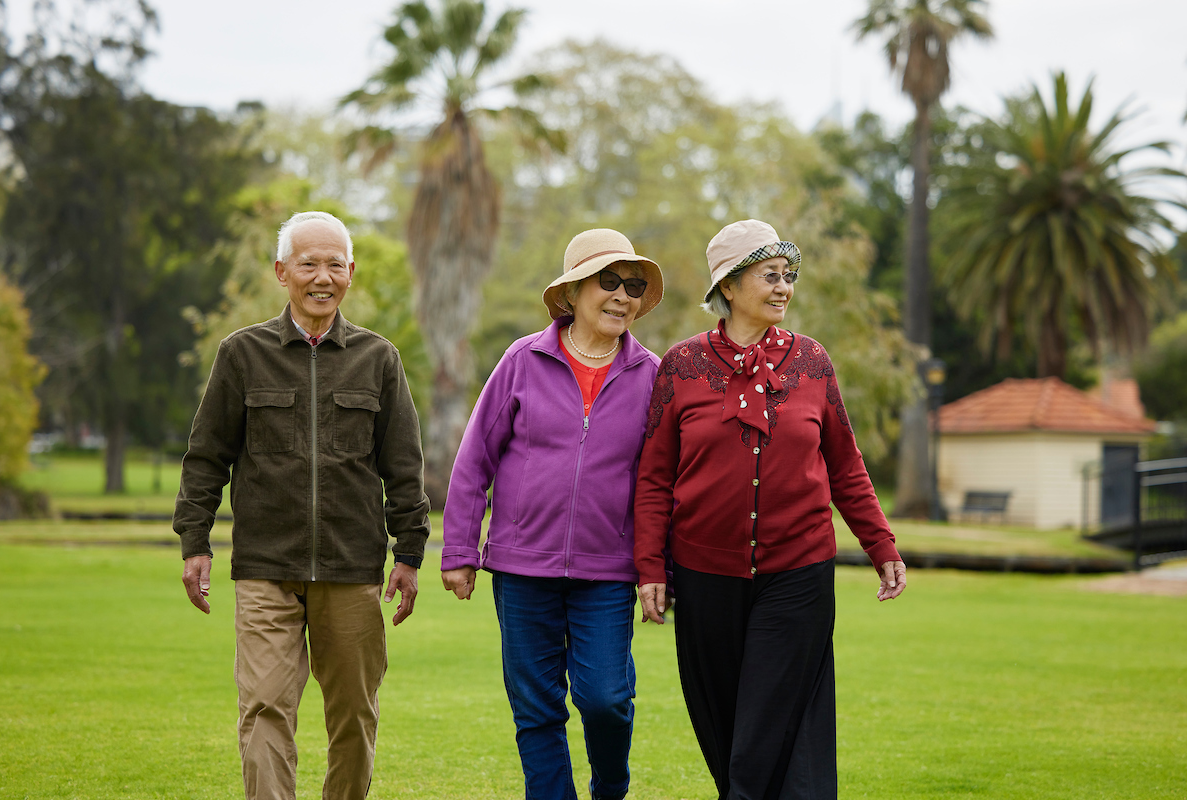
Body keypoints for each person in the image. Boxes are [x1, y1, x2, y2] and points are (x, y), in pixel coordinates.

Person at [633, 219, 907, 800]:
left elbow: (845, 466)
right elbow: (654, 478)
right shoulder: (680, 367)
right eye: (769, 275)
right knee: (723, 725)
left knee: (766, 728)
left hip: (798, 574)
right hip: (704, 577)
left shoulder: (812, 362)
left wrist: (881, 545)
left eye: (788, 276)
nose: (783, 287)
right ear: (729, 286)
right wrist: (650, 568)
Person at [173, 211, 431, 800]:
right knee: (264, 707)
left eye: (334, 265)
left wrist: (410, 554)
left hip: (352, 569)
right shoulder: (242, 354)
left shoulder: (378, 359)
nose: (322, 277)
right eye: (308, 264)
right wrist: (195, 543)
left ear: (351, 273)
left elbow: (404, 467)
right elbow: (206, 456)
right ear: (281, 272)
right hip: (266, 565)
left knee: (354, 719)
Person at [440, 228, 663, 800]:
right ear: (573, 293)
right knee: (536, 708)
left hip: (608, 570)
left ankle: (610, 786)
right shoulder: (523, 359)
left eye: (633, 285)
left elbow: (663, 483)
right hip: (521, 570)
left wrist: (657, 568)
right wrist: (461, 550)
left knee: (606, 698)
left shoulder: (653, 376)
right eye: (608, 281)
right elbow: (474, 462)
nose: (622, 296)